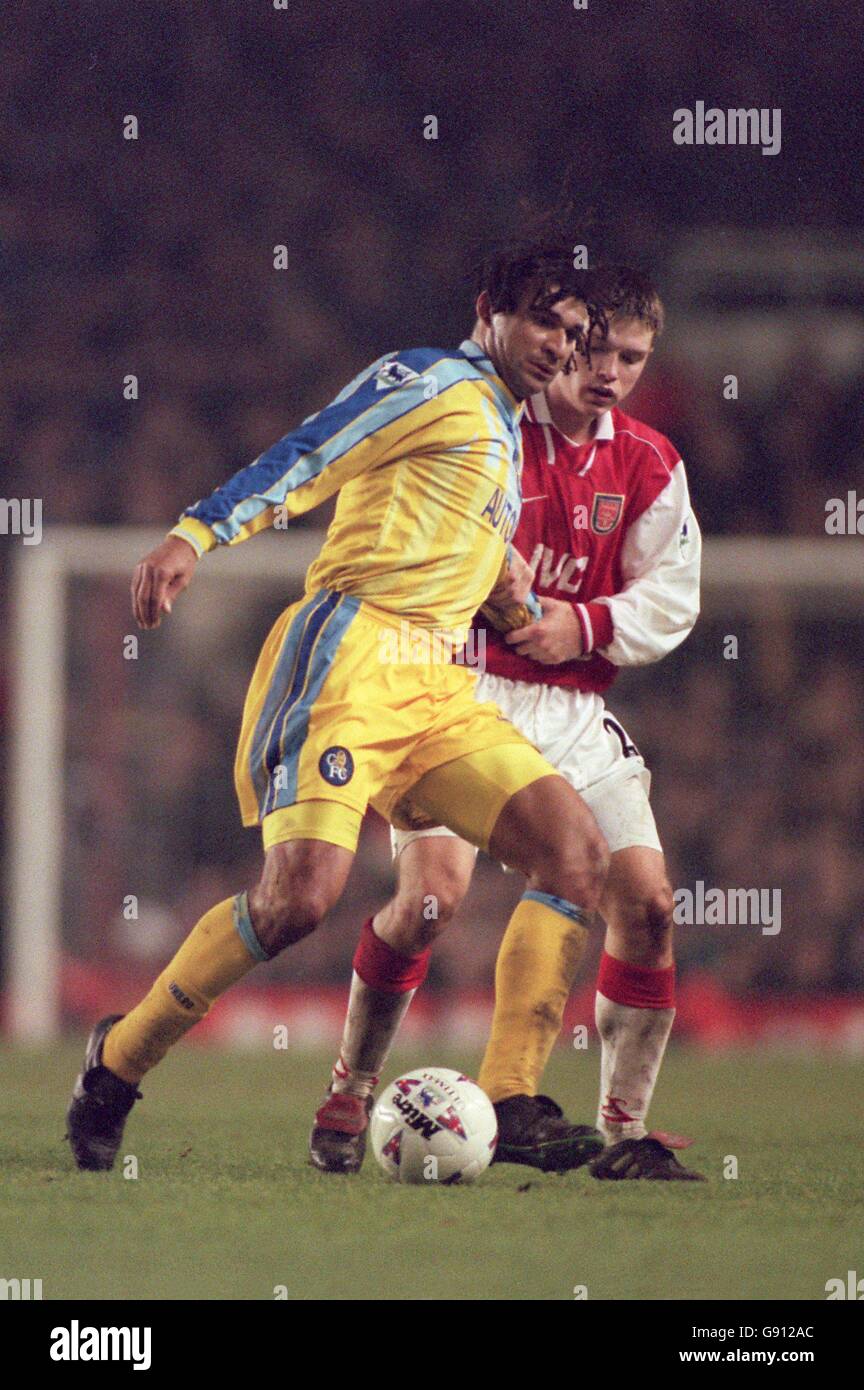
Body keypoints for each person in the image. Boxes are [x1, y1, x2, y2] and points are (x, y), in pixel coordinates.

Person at [66, 240, 613, 1175]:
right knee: (298, 901)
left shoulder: (510, 429)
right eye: (541, 321)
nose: (557, 346)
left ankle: (511, 1097)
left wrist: (523, 610)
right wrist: (195, 535)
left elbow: (454, 555)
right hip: (350, 659)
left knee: (572, 850)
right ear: (490, 311)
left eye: (571, 333)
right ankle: (119, 1063)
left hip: (438, 683)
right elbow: (312, 449)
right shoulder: (431, 378)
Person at [310, 267, 705, 1181]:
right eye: (598, 350)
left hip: (569, 705)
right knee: (431, 901)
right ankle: (351, 1086)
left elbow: (675, 598)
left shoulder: (649, 464)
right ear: (563, 343)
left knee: (646, 905)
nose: (610, 372)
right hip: (456, 691)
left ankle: (620, 1135)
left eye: (634, 359)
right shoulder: (485, 428)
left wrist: (585, 625)